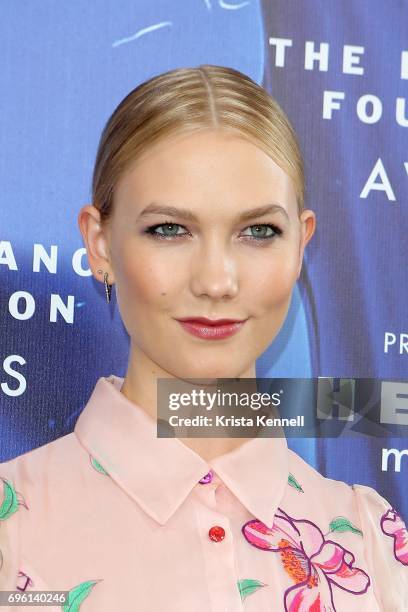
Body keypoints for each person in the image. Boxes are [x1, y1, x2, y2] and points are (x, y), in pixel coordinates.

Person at [0, 64, 407, 611]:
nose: (216, 281)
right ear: (99, 245)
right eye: (169, 230)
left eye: (258, 232)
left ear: (300, 246)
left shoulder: (372, 542)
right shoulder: (13, 529)